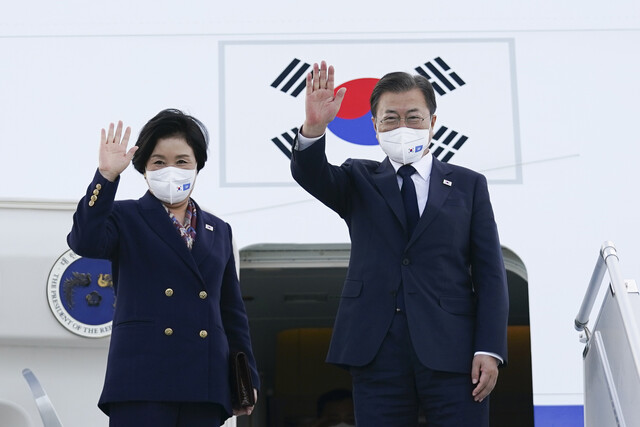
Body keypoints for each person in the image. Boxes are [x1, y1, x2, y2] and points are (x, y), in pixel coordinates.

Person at [290, 61, 509, 426]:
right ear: (374, 126)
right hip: (376, 351)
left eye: (414, 117)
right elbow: (310, 173)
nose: (403, 127)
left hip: (454, 351)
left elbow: (490, 273)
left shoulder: (469, 185)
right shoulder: (358, 178)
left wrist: (489, 348)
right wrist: (314, 128)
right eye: (391, 118)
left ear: (433, 123)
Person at [67, 109, 259, 427]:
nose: (171, 170)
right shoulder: (125, 217)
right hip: (142, 378)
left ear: (197, 166)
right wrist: (106, 176)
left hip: (205, 382)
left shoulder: (219, 229)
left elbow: (232, 311)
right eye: (159, 162)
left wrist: (246, 375)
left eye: (182, 161)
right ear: (143, 169)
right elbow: (84, 240)